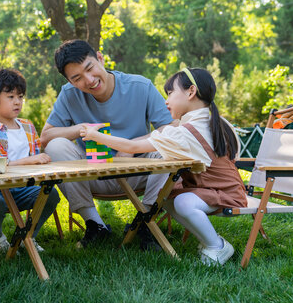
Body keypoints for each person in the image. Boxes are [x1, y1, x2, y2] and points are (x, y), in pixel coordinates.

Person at [80, 67, 247, 265]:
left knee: (183, 202)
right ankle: (209, 241)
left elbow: (134, 146)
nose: (166, 101)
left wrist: (96, 137)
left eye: (170, 93)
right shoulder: (217, 121)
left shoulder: (184, 132)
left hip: (225, 193)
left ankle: (217, 246)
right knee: (166, 197)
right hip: (222, 188)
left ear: (191, 92)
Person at [41, 39, 173, 249]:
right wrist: (81, 128)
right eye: (77, 78)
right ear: (70, 81)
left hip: (138, 172)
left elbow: (170, 130)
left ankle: (145, 222)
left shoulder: (140, 86)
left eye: (90, 68)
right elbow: (46, 137)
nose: (89, 80)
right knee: (56, 146)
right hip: (92, 173)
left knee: (168, 151)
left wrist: (128, 147)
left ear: (100, 58)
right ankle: (95, 224)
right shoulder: (69, 94)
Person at [0, 69, 60, 254]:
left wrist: (40, 161)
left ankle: (27, 236)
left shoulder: (27, 126)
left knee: (51, 195)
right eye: (10, 96)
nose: (17, 101)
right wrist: (31, 160)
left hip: (25, 187)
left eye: (20, 96)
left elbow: (37, 164)